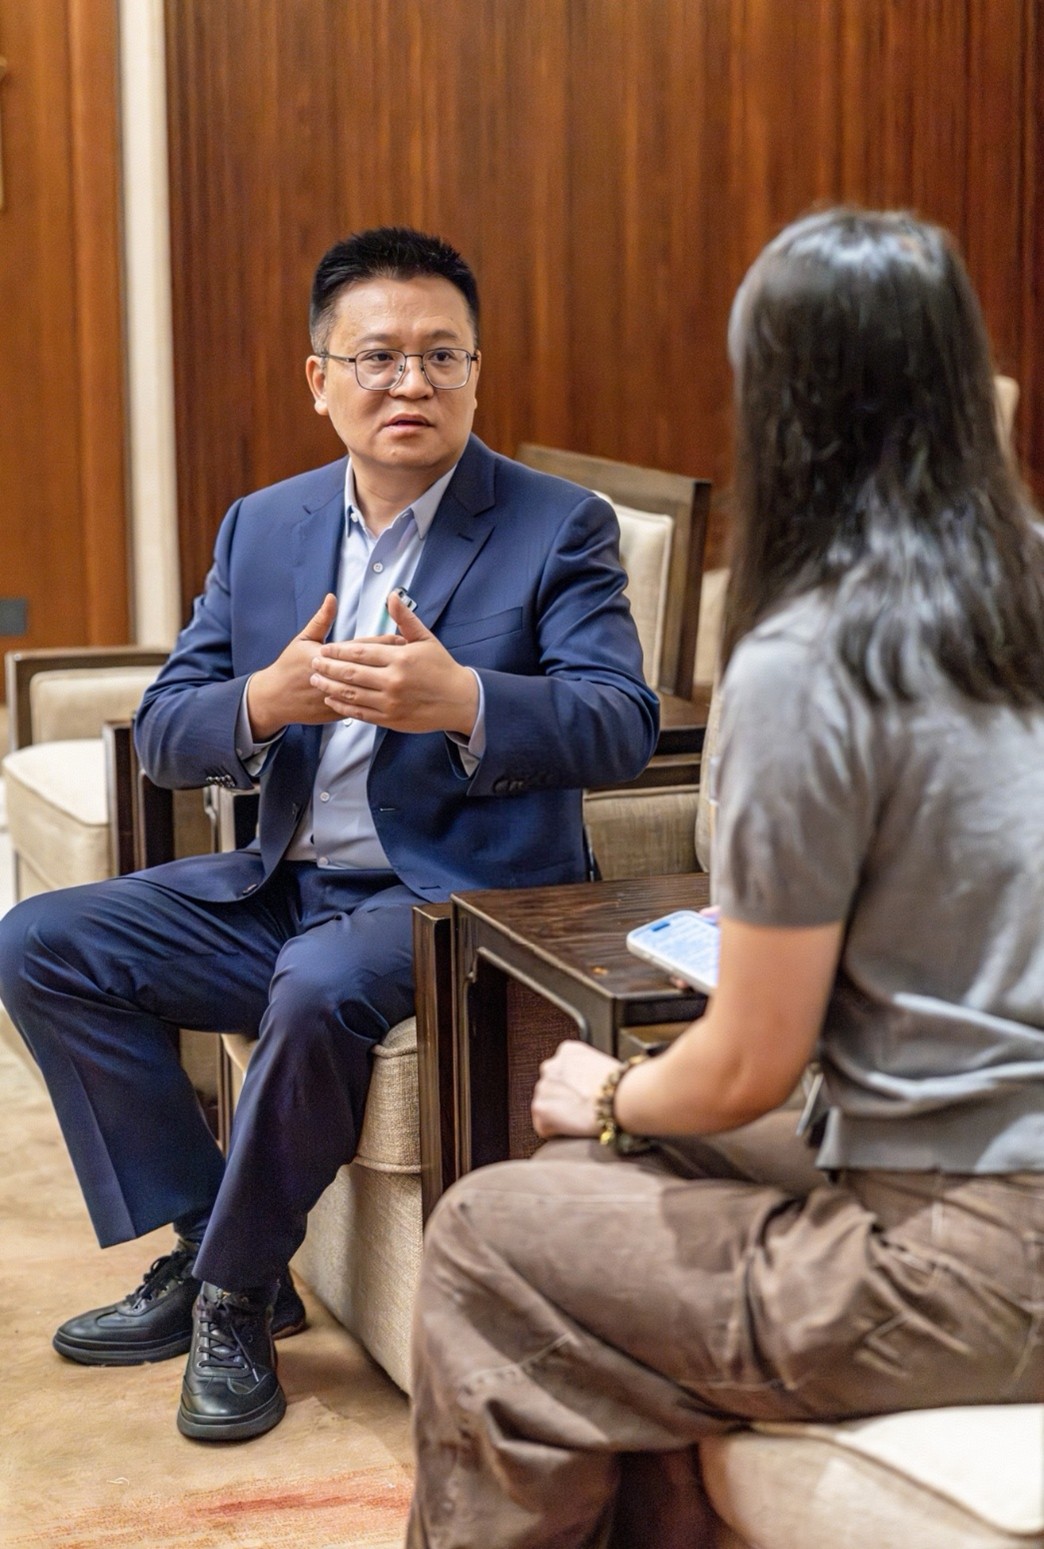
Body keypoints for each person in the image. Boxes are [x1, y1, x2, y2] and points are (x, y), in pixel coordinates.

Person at [406, 208, 1044, 1548]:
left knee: (485, 1232)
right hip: (973, 1169)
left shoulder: (816, 657)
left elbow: (754, 1058)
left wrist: (616, 1087)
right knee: (618, 1166)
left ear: (782, 410)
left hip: (973, 1259)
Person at [0, 226, 658, 1444]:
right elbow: (166, 731)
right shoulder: (265, 525)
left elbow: (622, 723)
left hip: (454, 898)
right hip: (283, 880)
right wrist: (264, 701)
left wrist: (462, 700)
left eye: (442, 356)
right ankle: (208, 1236)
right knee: (39, 941)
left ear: (476, 372)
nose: (412, 383)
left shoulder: (557, 525)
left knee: (315, 985)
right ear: (321, 378)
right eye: (378, 357)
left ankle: (234, 1296)